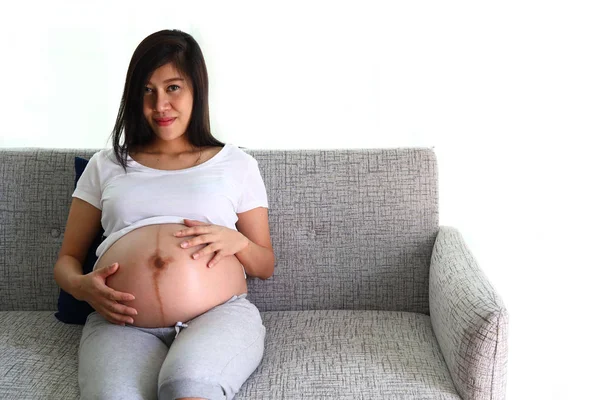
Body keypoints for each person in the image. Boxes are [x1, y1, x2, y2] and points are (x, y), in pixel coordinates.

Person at [53, 29, 275, 400]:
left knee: (187, 388)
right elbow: (68, 260)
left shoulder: (236, 164)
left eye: (173, 87)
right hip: (121, 323)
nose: (160, 105)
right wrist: (81, 287)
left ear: (196, 90)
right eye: (147, 90)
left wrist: (237, 241)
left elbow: (265, 265)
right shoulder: (106, 165)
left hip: (217, 315)